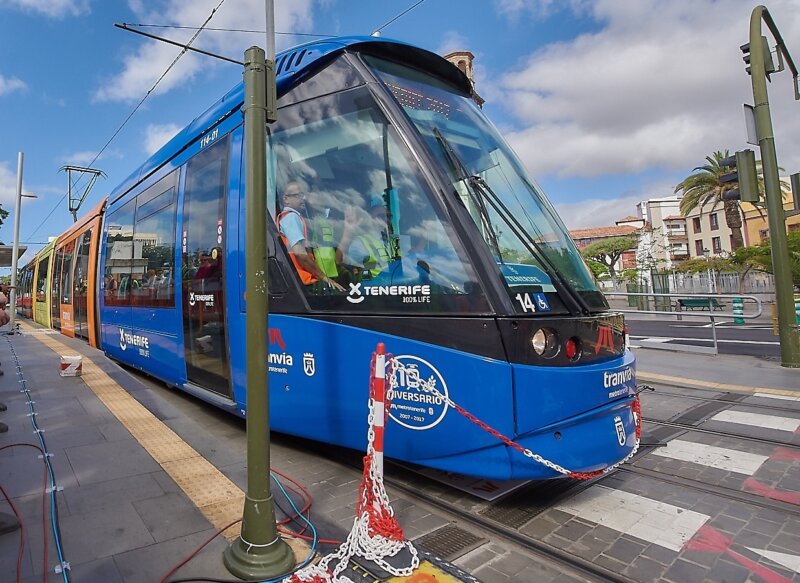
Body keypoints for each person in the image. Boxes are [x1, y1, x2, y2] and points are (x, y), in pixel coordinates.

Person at [277, 181, 345, 291]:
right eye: (298, 195)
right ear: (286, 199)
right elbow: (300, 254)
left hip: (299, 276)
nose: (302, 199)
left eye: (302, 195)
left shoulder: (292, 217)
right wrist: (325, 278)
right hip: (300, 279)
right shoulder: (291, 218)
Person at [339, 195, 392, 279]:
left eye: (388, 216)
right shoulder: (358, 244)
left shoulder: (392, 242)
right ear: (370, 218)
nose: (385, 220)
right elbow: (358, 269)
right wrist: (383, 265)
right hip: (374, 288)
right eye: (381, 216)